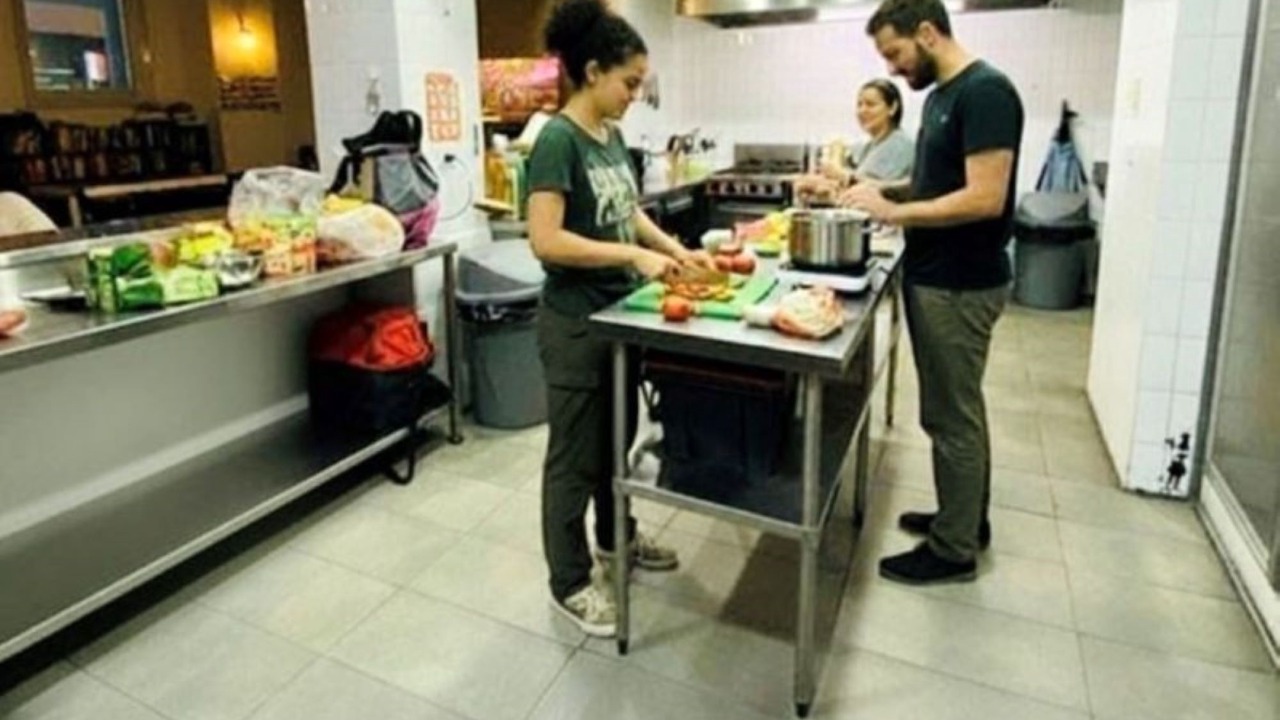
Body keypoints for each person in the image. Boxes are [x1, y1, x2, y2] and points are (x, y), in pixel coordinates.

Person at [526, 0, 710, 637]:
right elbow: (546, 240)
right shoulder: (557, 140)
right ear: (593, 71)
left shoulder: (610, 137)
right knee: (574, 460)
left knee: (617, 444)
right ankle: (570, 582)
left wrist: (672, 250)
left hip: (618, 319)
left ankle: (616, 540)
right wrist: (632, 257)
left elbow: (626, 212)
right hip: (575, 324)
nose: (636, 94)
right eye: (629, 82)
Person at [841, 0, 1025, 585]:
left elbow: (984, 198)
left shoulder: (985, 92)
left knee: (951, 417)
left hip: (961, 282)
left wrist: (896, 213)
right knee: (957, 409)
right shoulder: (943, 96)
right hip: (938, 275)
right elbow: (931, 184)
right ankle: (965, 518)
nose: (892, 69)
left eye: (894, 53)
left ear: (926, 32)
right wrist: (876, 192)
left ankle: (953, 550)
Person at [796, 79, 915, 202]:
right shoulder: (870, 146)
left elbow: (872, 193)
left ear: (893, 108)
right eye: (859, 105)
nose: (862, 111)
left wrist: (839, 181)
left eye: (870, 104)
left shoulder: (899, 145)